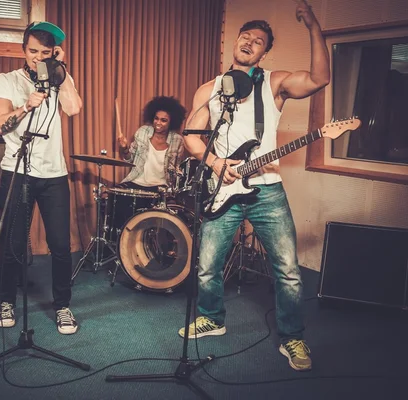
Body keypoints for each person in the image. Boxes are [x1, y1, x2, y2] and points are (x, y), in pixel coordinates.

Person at [179, 0, 329, 372]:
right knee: (206, 266)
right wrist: (214, 162)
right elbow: (191, 137)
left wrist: (313, 26)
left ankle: (292, 335)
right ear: (235, 43)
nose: (249, 41)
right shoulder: (209, 89)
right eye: (245, 35)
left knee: (288, 270)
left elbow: (319, 79)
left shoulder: (274, 82)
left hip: (267, 190)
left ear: (264, 53)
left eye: (258, 40)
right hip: (222, 190)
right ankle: (212, 317)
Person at [0, 22, 82, 334]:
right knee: (13, 243)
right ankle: (5, 300)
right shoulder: (7, 80)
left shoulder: (58, 78)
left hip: (54, 174)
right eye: (33, 51)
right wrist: (25, 106)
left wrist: (62, 68)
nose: (37, 58)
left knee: (60, 245)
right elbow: (1, 124)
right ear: (23, 50)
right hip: (18, 171)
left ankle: (63, 306)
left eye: (45, 53)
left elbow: (74, 108)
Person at [117, 96, 186, 193]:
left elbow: (177, 168)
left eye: (163, 120)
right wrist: (124, 148)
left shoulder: (177, 140)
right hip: (137, 181)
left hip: (161, 187)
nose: (158, 122)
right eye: (156, 118)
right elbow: (129, 159)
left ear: (172, 122)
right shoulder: (143, 132)